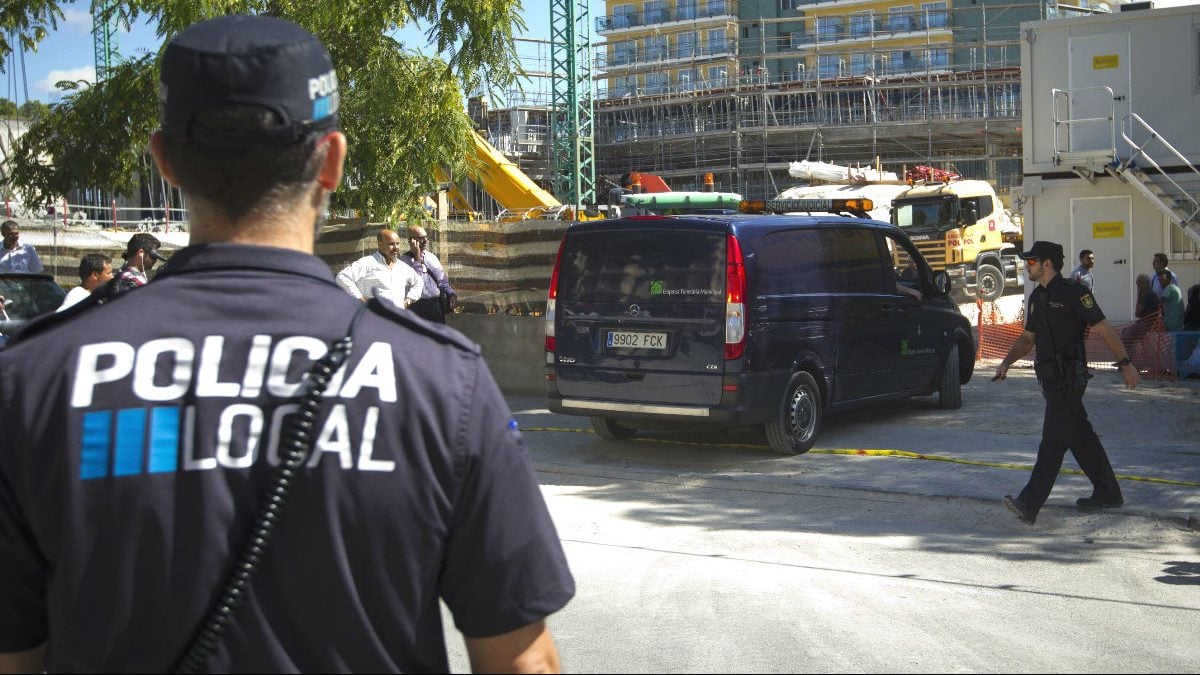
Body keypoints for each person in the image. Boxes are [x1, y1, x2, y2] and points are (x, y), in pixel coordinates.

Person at [0, 15, 573, 674]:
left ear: (164, 158)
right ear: (332, 159)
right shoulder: (441, 384)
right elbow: (522, 659)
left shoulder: (37, 380)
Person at [992, 241, 1138, 526]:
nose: (1026, 266)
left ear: (1047, 263)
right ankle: (1108, 492)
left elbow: (1104, 328)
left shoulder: (1075, 293)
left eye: (1031, 261)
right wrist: (1006, 362)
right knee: (1080, 436)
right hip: (1049, 379)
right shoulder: (1037, 298)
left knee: (1053, 439)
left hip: (1070, 379)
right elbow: (1027, 338)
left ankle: (1029, 503)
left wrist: (1126, 364)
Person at [335, 228, 423, 308]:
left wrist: (408, 300)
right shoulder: (367, 263)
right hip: (373, 319)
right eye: (391, 244)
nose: (396, 248)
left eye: (397, 244)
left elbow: (418, 281)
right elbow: (342, 277)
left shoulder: (402, 267)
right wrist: (359, 298)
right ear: (380, 245)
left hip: (397, 319)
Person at [400, 224, 457, 323]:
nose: (426, 240)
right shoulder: (404, 262)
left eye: (426, 237)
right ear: (411, 240)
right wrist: (417, 258)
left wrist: (451, 293)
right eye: (421, 238)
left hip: (435, 305)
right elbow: (417, 283)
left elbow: (442, 280)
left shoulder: (431, 257)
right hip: (416, 307)